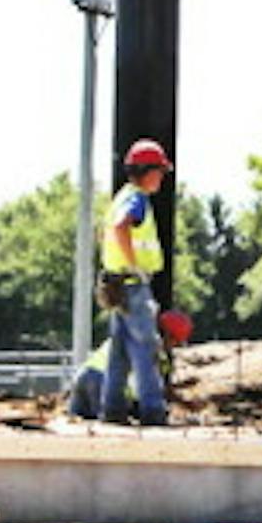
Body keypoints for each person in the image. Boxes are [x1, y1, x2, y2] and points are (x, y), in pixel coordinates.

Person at [99, 139, 173, 426]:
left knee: (120, 350)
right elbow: (120, 227)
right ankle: (153, 410)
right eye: (160, 171)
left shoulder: (121, 196)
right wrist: (135, 267)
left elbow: (108, 232)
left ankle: (113, 409)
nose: (162, 178)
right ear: (148, 171)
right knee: (145, 347)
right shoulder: (136, 199)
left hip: (118, 284)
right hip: (132, 285)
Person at [69, 310, 192, 421]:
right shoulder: (149, 348)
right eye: (175, 342)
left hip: (82, 377)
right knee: (112, 425)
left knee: (76, 424)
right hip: (100, 381)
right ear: (168, 335)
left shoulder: (133, 335)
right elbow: (140, 386)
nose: (173, 347)